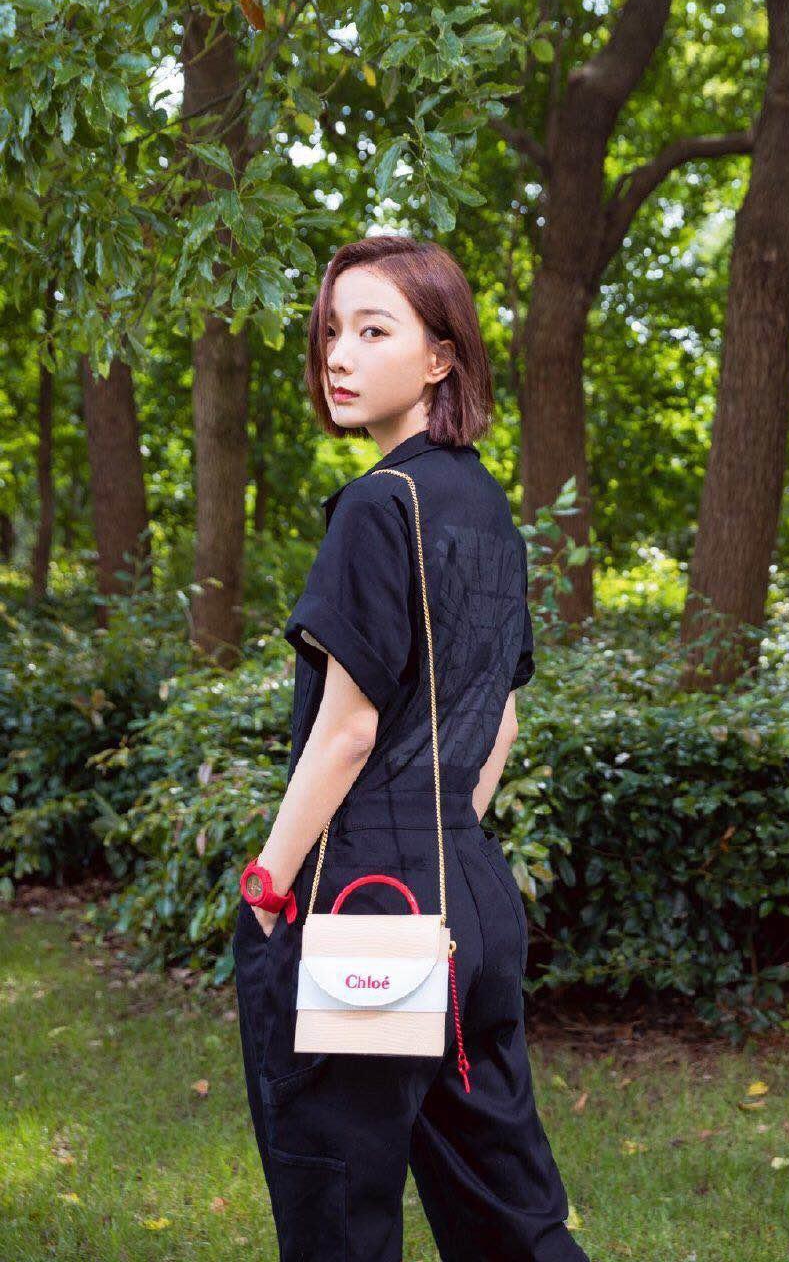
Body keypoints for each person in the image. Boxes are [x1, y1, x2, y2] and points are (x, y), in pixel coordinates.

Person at [232, 234, 590, 1262]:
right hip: (469, 894)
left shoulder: (377, 506)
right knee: (511, 1218)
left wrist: (267, 884)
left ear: (441, 357)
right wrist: (439, 842)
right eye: (330, 332)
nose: (338, 355)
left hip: (362, 899)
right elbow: (501, 720)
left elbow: (348, 730)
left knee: (338, 1212)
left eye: (373, 330)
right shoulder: (487, 511)